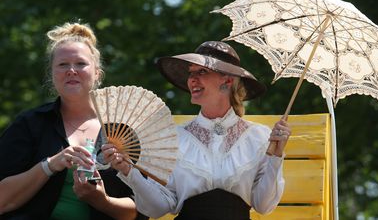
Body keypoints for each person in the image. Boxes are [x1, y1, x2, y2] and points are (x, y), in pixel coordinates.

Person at [103, 41, 291, 219]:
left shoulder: (260, 137)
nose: (192, 79)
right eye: (191, 73)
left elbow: (263, 206)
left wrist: (276, 155)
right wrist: (128, 171)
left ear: (227, 80)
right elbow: (159, 208)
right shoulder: (174, 138)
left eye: (202, 71)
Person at [0, 22, 147, 220]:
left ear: (97, 73)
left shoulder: (124, 131)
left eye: (80, 64)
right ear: (52, 75)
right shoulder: (29, 124)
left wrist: (102, 201)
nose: (71, 70)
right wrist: (50, 165)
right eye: (62, 64)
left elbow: (141, 210)